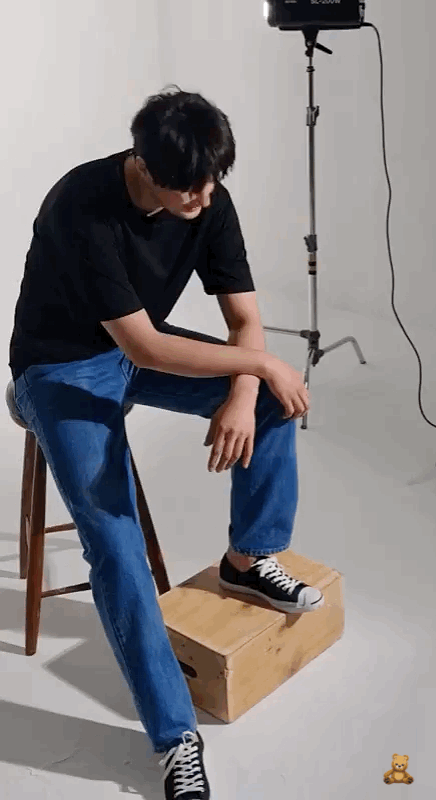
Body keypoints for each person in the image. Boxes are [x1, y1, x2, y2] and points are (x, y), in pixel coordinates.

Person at [9, 85, 324, 800]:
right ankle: (175, 737)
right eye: (189, 188)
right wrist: (261, 365)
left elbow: (244, 320)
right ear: (144, 165)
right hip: (58, 368)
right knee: (114, 543)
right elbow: (145, 347)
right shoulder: (80, 205)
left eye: (213, 182)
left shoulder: (207, 194)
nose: (204, 199)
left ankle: (248, 558)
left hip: (132, 347)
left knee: (270, 399)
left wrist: (247, 389)